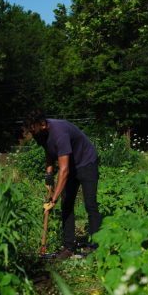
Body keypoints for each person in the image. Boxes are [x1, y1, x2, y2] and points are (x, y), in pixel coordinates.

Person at [23, 108, 102, 259]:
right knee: (67, 205)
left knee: (90, 204)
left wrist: (53, 199)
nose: (31, 134)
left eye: (32, 131)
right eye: (29, 131)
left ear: (43, 124)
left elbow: (64, 171)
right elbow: (49, 150)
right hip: (71, 165)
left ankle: (97, 249)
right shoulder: (42, 134)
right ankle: (68, 248)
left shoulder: (60, 133)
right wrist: (49, 172)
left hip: (86, 163)